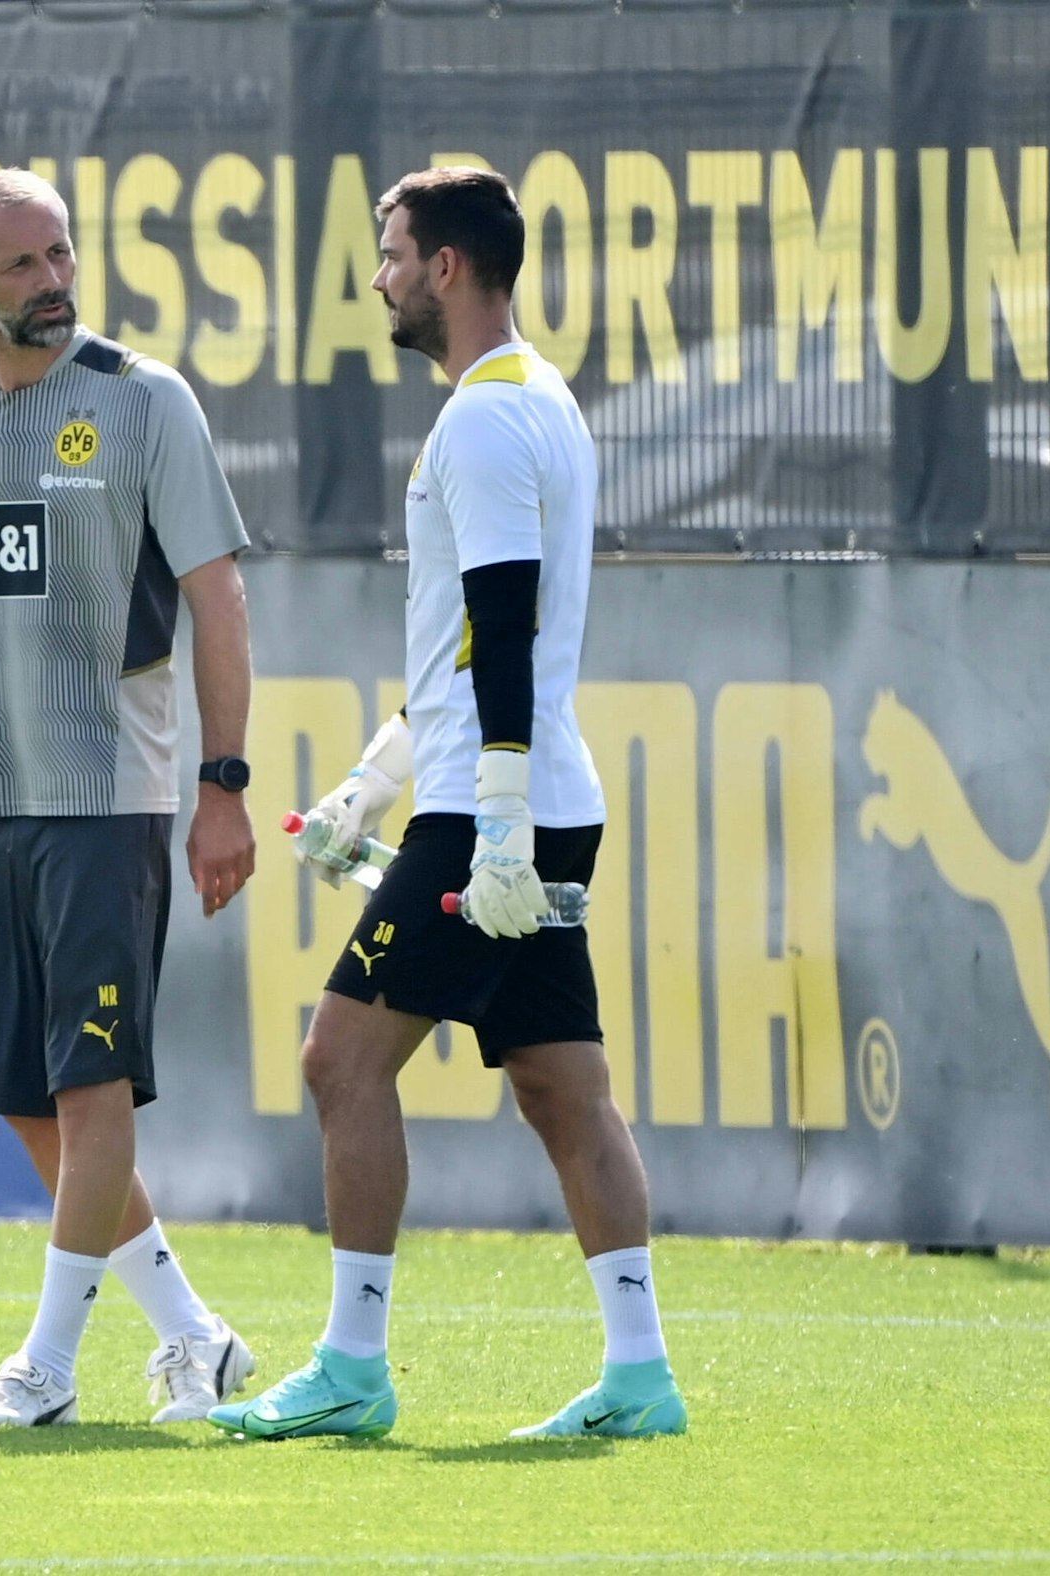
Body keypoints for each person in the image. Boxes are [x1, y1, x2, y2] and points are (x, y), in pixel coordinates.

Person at [209, 167, 687, 1442]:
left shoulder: (480, 422)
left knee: (337, 1055)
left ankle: (352, 1368)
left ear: (450, 267)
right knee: (559, 1085)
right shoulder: (538, 401)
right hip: (516, 795)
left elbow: (504, 630)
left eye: (390, 253)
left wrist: (496, 826)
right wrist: (368, 789)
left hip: (497, 811)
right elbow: (467, 659)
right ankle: (639, 1376)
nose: (377, 280)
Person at [0, 168, 258, 1429]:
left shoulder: (143, 405)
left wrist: (220, 785)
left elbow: (217, 597)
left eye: (62, 255)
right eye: (20, 265)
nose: (51, 282)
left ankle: (50, 1366)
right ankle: (194, 1335)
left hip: (109, 796)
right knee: (25, 1093)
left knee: (90, 1086)